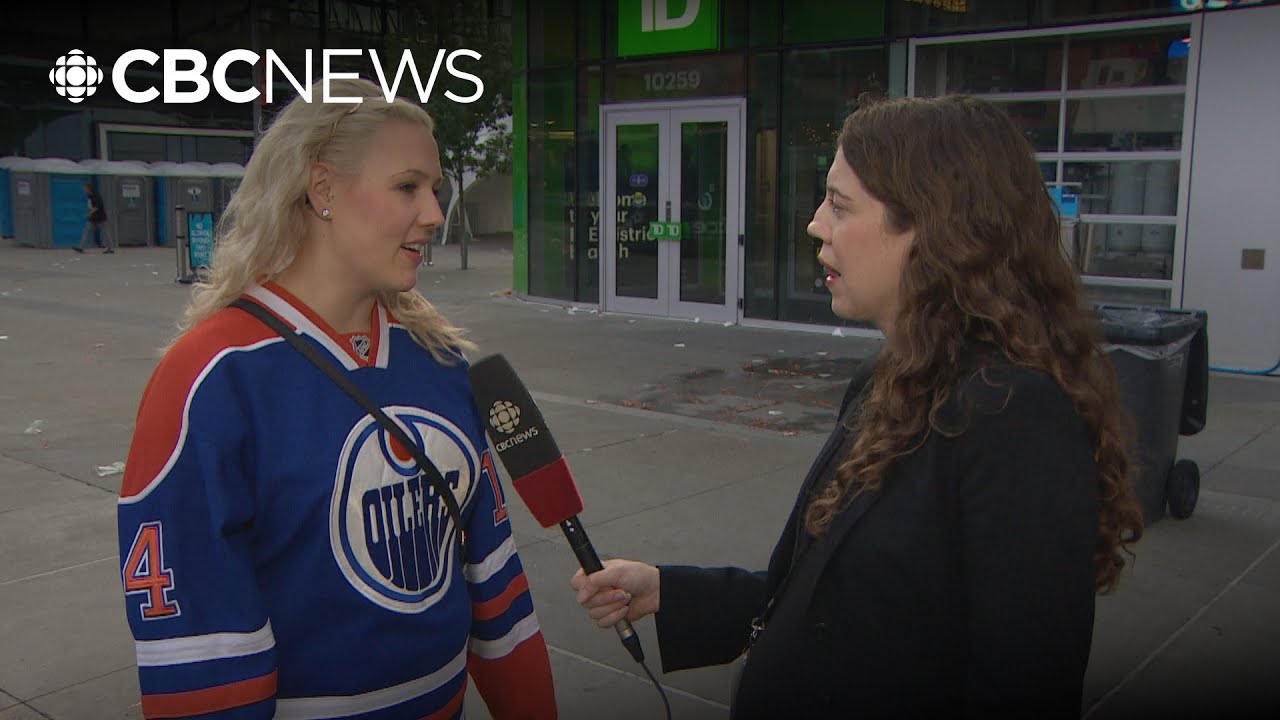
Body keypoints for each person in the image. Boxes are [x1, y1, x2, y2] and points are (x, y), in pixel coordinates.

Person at [572, 95, 1144, 719]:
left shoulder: (1015, 419)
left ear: (933, 226)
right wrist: (670, 591)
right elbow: (828, 601)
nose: (816, 223)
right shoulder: (891, 376)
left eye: (840, 205)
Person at [117, 78, 557, 720]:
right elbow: (199, 659)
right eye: (408, 186)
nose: (435, 213)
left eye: (433, 188)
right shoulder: (211, 378)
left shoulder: (441, 364)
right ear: (322, 190)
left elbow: (497, 594)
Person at [74, 182, 112, 253]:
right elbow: (91, 206)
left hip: (101, 217)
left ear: (89, 189)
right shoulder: (90, 196)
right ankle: (80, 247)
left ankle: (110, 248)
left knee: (106, 233)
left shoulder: (96, 196)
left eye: (85, 188)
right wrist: (90, 213)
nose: (84, 190)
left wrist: (89, 213)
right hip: (93, 218)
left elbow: (97, 206)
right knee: (86, 231)